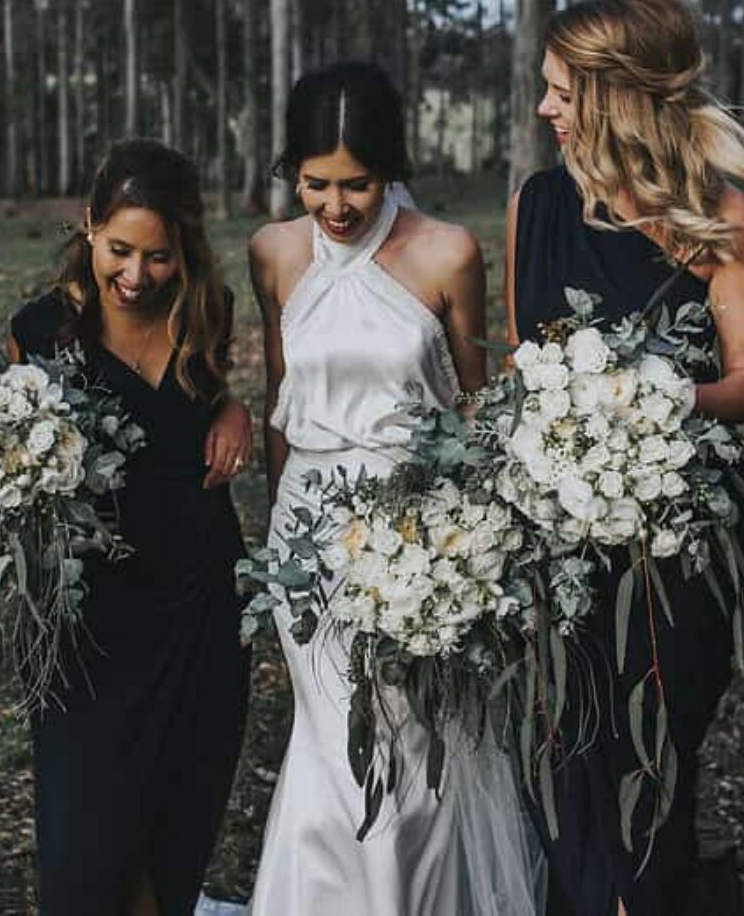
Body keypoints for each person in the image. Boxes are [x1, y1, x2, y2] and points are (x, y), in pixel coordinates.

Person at [248, 61, 544, 915]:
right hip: (305, 528)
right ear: (291, 173)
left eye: (357, 183)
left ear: (392, 167)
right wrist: (282, 538)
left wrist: (471, 546)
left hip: (418, 532)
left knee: (409, 733)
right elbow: (278, 399)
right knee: (326, 734)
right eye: (315, 184)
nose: (336, 206)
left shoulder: (449, 250)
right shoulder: (272, 253)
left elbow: (477, 407)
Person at [507, 0, 744, 914]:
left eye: (560, 91)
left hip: (678, 533)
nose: (545, 108)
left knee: (654, 750)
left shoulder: (717, 214)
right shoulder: (537, 206)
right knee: (564, 744)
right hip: (558, 534)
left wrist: (646, 401)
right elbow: (520, 378)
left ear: (618, 95)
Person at [8, 139, 253, 916]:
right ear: (87, 226)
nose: (137, 275)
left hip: (201, 603)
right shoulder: (42, 331)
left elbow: (203, 403)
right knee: (89, 849)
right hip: (95, 621)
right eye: (120, 250)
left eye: (159, 256)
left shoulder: (207, 313)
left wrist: (232, 408)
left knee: (176, 831)